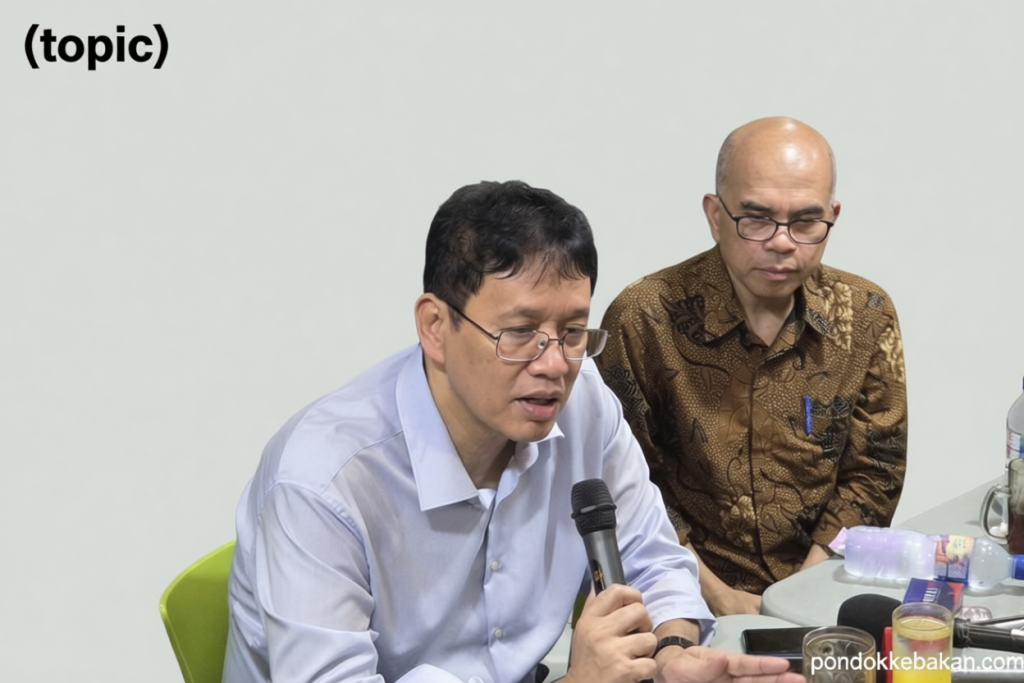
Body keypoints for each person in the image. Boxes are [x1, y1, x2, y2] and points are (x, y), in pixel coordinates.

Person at [222, 180, 804, 683]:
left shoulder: (584, 403)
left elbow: (652, 559)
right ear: (434, 326)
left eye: (573, 332)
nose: (553, 365)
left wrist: (671, 654)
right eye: (520, 333)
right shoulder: (322, 482)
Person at [597, 118, 908, 617]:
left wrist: (798, 594)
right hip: (680, 595)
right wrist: (715, 597)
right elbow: (624, 484)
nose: (782, 242)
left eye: (805, 222)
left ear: (832, 216)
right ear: (715, 215)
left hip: (822, 584)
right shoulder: (644, 318)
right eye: (757, 219)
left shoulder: (866, 313)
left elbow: (875, 472)